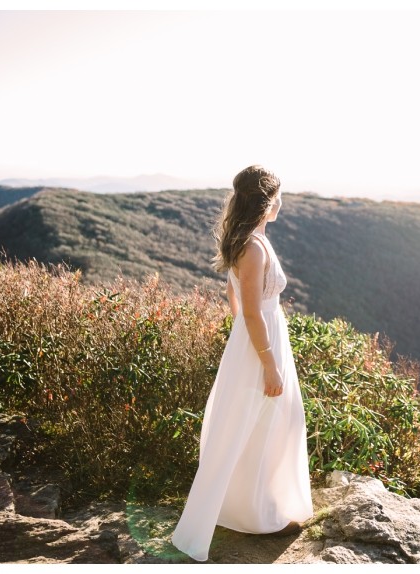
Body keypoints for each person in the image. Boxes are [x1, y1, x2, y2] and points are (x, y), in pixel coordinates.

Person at [170, 165, 313, 562]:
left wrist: (249, 339)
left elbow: (234, 297)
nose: (282, 202)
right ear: (267, 202)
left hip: (258, 339)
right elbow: (250, 310)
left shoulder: (250, 241)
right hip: (260, 342)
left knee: (262, 423)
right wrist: (266, 361)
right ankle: (257, 515)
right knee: (265, 423)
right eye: (278, 196)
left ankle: (256, 506)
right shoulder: (252, 247)